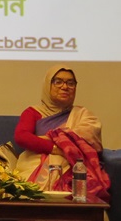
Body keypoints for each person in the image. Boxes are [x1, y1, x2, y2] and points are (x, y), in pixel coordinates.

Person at [12, 65, 107, 195]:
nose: (65, 87)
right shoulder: (33, 112)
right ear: (48, 85)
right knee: (24, 191)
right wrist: (55, 149)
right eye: (58, 82)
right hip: (35, 167)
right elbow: (21, 137)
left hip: (74, 169)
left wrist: (45, 140)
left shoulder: (83, 115)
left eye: (70, 83)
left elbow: (90, 144)